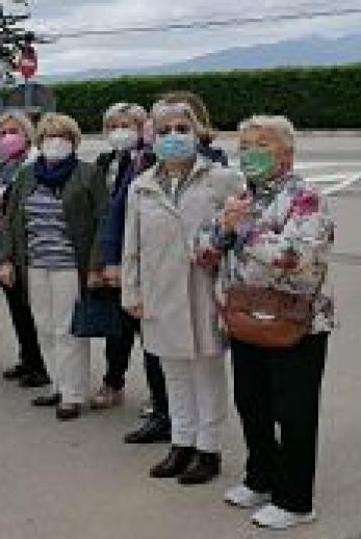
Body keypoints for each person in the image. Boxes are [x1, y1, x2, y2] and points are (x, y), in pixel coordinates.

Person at [199, 116, 335, 530]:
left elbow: (299, 258)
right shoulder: (240, 196)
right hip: (244, 318)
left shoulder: (305, 197)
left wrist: (243, 231)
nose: (251, 152)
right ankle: (260, 477)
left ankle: (295, 501)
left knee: (294, 412)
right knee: (252, 403)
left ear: (287, 153)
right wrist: (222, 230)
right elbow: (201, 251)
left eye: (262, 144)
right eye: (245, 144)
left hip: (294, 322)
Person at [121, 102, 244, 485]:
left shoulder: (221, 179)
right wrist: (132, 290)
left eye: (181, 128)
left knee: (207, 374)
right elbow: (132, 245)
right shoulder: (141, 186)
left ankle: (208, 449)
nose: (173, 136)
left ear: (196, 131)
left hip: (206, 291)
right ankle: (181, 443)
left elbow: (241, 233)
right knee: (173, 374)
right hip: (160, 294)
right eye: (164, 130)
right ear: (153, 138)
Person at [0, 113, 107, 421]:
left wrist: (97, 264)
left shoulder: (88, 174)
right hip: (35, 263)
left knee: (68, 330)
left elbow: (103, 219)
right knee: (44, 327)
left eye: (62, 137)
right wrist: (7, 258)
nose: (55, 143)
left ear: (74, 142)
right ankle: (57, 384)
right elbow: (10, 220)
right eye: (48, 137)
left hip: (69, 265)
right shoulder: (27, 175)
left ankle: (73, 394)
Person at [91, 103, 155, 413]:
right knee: (117, 328)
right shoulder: (103, 163)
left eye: (127, 125)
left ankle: (159, 393)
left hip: (142, 255)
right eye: (113, 126)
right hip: (112, 253)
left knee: (148, 330)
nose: (120, 132)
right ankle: (113, 381)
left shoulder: (149, 160)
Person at [0, 111, 49, 389]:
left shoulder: (34, 163)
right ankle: (27, 357)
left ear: (27, 133)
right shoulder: (2, 164)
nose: (8, 138)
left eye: (14, 131)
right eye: (2, 133)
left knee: (31, 308)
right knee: (15, 306)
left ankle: (41, 364)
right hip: (2, 239)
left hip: (28, 245)